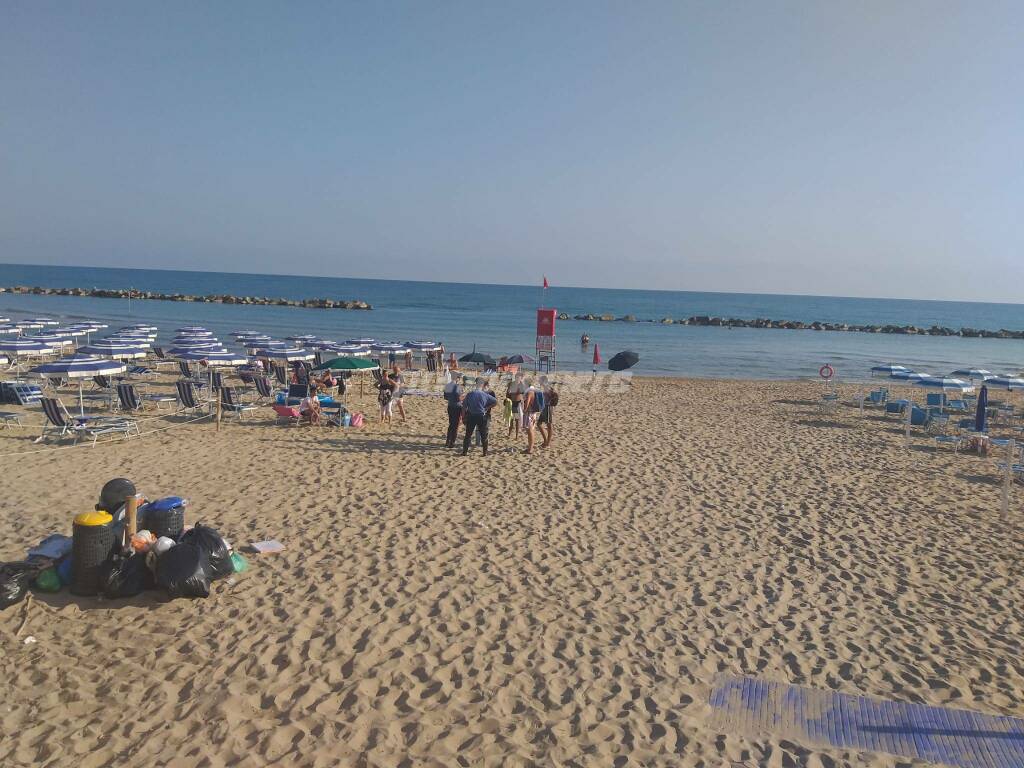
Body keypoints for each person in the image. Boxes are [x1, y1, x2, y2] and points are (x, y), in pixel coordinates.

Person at [461, 377, 497, 456]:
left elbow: (464, 407)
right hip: (481, 416)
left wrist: (463, 417)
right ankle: (484, 452)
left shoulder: (470, 394)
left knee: (468, 435)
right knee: (483, 435)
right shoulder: (485, 394)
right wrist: (487, 407)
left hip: (471, 416)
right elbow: (495, 401)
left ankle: (464, 452)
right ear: (482, 385)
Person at [521, 378, 545, 455]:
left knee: (530, 431)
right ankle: (530, 447)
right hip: (533, 412)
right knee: (532, 430)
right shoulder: (534, 390)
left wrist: (523, 410)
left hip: (529, 412)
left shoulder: (529, 392)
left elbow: (527, 403)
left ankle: (530, 449)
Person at [443, 375, 464, 448]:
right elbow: (459, 398)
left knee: (451, 424)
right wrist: (464, 397)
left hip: (450, 406)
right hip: (457, 407)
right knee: (455, 426)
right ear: (457, 378)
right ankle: (452, 443)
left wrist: (451, 398)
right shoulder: (457, 387)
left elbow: (445, 397)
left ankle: (447, 441)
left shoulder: (447, 385)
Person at [538, 376, 558, 448]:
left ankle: (547, 443)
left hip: (548, 407)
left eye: (540, 380)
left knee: (549, 425)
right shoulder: (545, 387)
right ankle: (545, 441)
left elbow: (554, 396)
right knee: (539, 424)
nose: (539, 381)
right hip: (544, 407)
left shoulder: (547, 388)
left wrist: (551, 404)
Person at [506, 372, 525, 439]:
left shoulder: (522, 385)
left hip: (518, 403)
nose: (517, 378)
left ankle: (516, 435)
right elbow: (507, 393)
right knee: (511, 419)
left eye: (519, 377)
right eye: (516, 377)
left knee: (517, 420)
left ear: (521, 378)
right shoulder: (511, 383)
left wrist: (523, 404)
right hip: (511, 403)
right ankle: (509, 433)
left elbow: (523, 395)